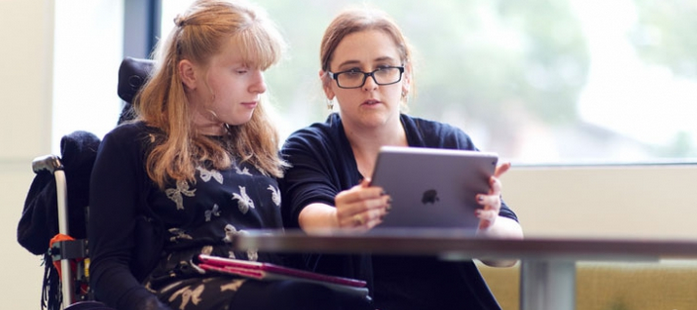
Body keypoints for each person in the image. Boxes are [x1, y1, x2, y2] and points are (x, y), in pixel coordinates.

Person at [88, 1, 371, 309]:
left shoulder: (260, 150)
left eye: (262, 70)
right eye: (241, 71)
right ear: (189, 74)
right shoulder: (132, 145)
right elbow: (107, 269)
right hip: (178, 290)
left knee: (352, 299)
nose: (260, 85)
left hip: (269, 290)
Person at [279, 7, 524, 310]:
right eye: (352, 71)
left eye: (383, 68)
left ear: (405, 76)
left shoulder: (447, 144)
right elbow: (311, 215)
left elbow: (509, 252)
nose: (370, 84)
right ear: (329, 84)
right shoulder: (308, 147)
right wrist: (339, 219)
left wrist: (485, 225)